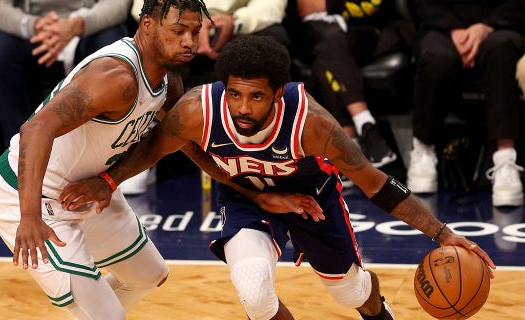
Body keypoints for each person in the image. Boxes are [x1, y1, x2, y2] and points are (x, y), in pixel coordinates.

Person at [58, 35, 496, 320]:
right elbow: (154, 148)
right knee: (254, 291)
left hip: (312, 199)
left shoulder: (313, 125)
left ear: (279, 93)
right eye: (234, 94)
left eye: (257, 97)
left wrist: (441, 234)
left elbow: (375, 183)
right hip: (247, 199)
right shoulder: (196, 110)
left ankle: (377, 308)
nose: (243, 108)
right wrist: (110, 180)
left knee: (350, 294)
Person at [0, 2, 319, 319]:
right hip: (28, 195)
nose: (189, 41)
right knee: (108, 315)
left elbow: (186, 144)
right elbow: (34, 129)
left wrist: (254, 194)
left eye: (195, 30)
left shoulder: (168, 82)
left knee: (148, 275)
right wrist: (28, 216)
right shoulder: (116, 77)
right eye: (178, 30)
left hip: (84, 189)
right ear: (147, 24)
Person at [407, 0, 524, 207]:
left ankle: (505, 158)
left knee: (500, 49)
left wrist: (486, 27)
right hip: (443, 26)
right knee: (436, 57)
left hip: (502, 25)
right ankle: (423, 149)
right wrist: (454, 28)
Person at [0, 0, 132, 148]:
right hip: (32, 27)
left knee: (113, 43)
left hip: (88, 25)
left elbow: (118, 4)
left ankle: (111, 148)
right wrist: (34, 25)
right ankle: (18, 149)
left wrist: (78, 25)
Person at [291, 0, 401, 169]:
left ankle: (348, 146)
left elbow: (376, 5)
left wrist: (329, 5)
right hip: (306, 33)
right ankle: (364, 123)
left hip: (360, 31)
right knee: (328, 43)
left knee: (327, 52)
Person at [132, 0, 291, 89]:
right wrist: (191, 27)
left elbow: (271, 3)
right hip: (177, 22)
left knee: (274, 38)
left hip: (234, 26)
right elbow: (142, 6)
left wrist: (236, 21)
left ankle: (267, 112)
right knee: (158, 38)